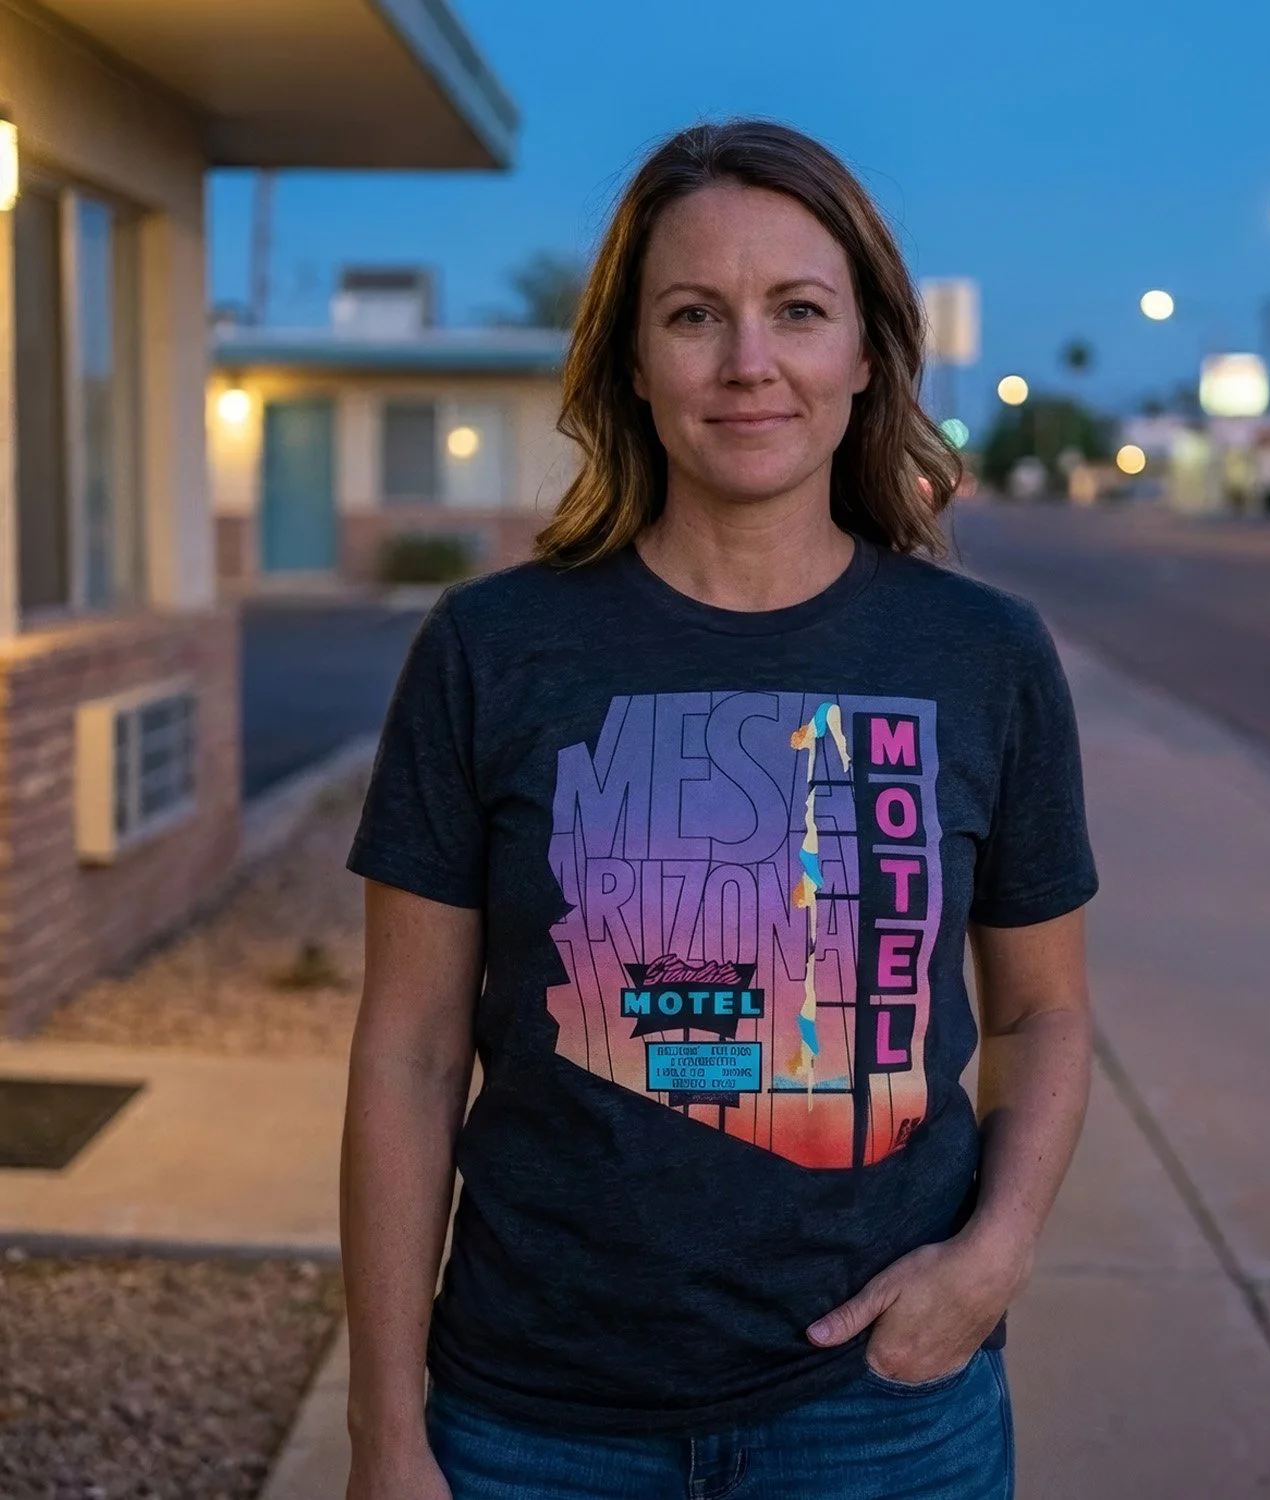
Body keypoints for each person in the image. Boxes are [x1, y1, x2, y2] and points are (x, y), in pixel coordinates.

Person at [341, 118, 1097, 1500]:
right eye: (695, 315)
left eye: (797, 312)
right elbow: (407, 1048)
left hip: (880, 1414)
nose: (749, 362)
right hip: (533, 1421)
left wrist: (993, 1260)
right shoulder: (491, 648)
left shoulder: (985, 658)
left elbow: (1045, 1011)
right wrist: (385, 1426)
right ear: (633, 361)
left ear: (866, 355)